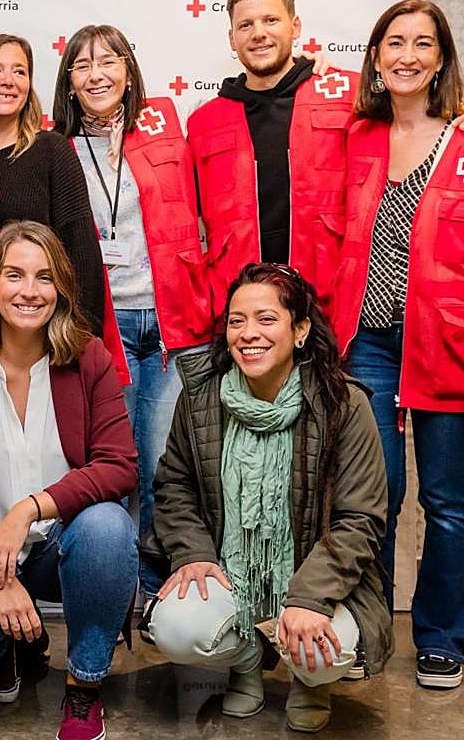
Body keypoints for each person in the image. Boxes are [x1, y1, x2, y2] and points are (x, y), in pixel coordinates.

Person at [331, 0, 464, 691]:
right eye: (394, 42)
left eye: (423, 43)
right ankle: (370, 623)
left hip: (450, 342)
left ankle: (443, 634)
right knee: (372, 495)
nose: (407, 55)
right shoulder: (357, 135)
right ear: (377, 56)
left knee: (444, 498)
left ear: (442, 58)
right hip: (369, 346)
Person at [150, 263, 391, 734]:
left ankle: (309, 680)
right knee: (175, 629)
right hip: (228, 567)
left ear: (300, 330)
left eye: (266, 319)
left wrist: (309, 597)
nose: (248, 334)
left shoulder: (345, 405)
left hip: (316, 576)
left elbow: (360, 518)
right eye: (236, 321)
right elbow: (174, 484)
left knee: (328, 653)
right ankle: (246, 658)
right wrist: (193, 555)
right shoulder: (201, 398)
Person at [0, 221, 139, 740]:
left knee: (110, 527)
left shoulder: (88, 359)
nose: (29, 291)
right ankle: (2, 648)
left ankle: (84, 686)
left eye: (44, 278)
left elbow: (119, 465)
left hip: (63, 548)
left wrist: (29, 509)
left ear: (60, 288)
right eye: (15, 275)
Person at [188, 0, 464, 315]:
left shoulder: (348, 97)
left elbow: (414, 112)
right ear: (232, 39)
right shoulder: (204, 122)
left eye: (271, 20)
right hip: (241, 311)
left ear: (295, 26)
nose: (259, 32)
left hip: (332, 306)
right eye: (245, 24)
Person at [51, 24, 211, 604]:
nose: (97, 74)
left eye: (109, 61)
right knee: (113, 465)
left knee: (164, 466)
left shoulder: (167, 137)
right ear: (68, 80)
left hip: (170, 327)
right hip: (102, 329)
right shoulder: (57, 148)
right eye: (83, 64)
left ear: (128, 70)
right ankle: (111, 589)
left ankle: (156, 584)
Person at [0, 34, 105, 332]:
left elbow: (81, 251)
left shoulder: (51, 151)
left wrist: (84, 339)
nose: (8, 80)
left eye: (20, 71)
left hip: (38, 330)